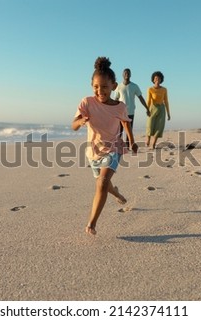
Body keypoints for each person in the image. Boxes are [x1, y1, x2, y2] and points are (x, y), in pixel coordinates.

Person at [72, 57, 138, 235]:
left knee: (101, 182)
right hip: (93, 151)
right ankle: (117, 194)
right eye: (96, 87)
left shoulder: (120, 106)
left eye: (104, 87)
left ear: (114, 86)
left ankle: (91, 224)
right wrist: (81, 121)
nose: (99, 91)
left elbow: (125, 123)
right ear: (91, 85)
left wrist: (131, 141)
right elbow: (74, 124)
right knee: (105, 184)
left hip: (114, 147)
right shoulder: (87, 102)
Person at [114, 68, 150, 146]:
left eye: (128, 73)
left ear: (130, 75)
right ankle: (117, 146)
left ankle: (127, 147)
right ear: (122, 75)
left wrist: (147, 108)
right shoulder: (119, 87)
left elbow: (141, 98)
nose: (127, 74)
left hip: (130, 112)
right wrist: (112, 110)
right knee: (119, 130)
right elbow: (115, 99)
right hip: (120, 112)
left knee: (129, 131)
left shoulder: (135, 86)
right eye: (125, 73)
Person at [145, 71, 171, 149]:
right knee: (150, 124)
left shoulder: (164, 89)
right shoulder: (150, 89)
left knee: (159, 127)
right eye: (155, 78)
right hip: (153, 108)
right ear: (153, 79)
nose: (157, 80)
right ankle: (148, 140)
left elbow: (166, 101)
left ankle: (153, 144)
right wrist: (147, 109)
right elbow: (148, 100)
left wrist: (168, 113)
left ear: (161, 80)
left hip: (161, 109)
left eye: (159, 78)